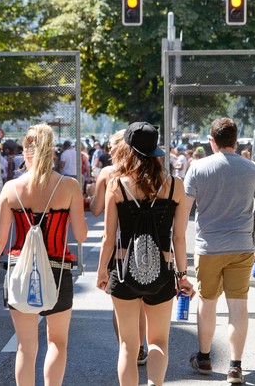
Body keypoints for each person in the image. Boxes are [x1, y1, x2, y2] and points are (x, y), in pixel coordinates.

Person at [0, 123, 87, 386]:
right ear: (52, 151)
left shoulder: (11, 189)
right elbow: (81, 236)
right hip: (58, 269)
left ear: (26, 150)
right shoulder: (69, 186)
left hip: (19, 269)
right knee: (57, 342)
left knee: (25, 347)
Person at [96, 122, 194, 386]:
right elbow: (179, 238)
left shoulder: (117, 185)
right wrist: (182, 276)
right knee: (159, 341)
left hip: (123, 270)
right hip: (163, 272)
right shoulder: (176, 186)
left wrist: (102, 271)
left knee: (128, 345)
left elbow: (108, 237)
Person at [183, 117, 255, 384]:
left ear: (212, 142)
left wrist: (179, 243)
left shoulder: (197, 168)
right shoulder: (252, 169)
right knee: (238, 306)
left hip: (208, 247)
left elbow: (184, 210)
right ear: (236, 141)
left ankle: (204, 357)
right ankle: (235, 366)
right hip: (241, 247)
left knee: (207, 302)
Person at [90, 129, 149, 366]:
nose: (108, 151)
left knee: (121, 304)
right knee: (142, 301)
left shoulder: (108, 173)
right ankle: (140, 347)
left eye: (111, 146)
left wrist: (94, 192)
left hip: (119, 245)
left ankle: (127, 347)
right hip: (146, 243)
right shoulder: (146, 172)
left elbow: (95, 210)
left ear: (120, 147)